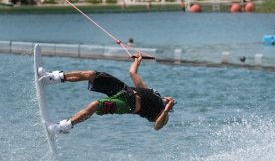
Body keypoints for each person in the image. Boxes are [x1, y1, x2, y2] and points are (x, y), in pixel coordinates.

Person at [39, 55, 175, 134]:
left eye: (170, 103)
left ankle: (63, 127)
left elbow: (157, 126)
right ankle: (53, 77)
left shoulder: (162, 113)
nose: (169, 99)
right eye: (168, 100)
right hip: (123, 89)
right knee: (91, 74)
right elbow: (132, 73)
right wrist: (136, 61)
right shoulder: (151, 92)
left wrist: (167, 109)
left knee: (95, 105)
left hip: (126, 105)